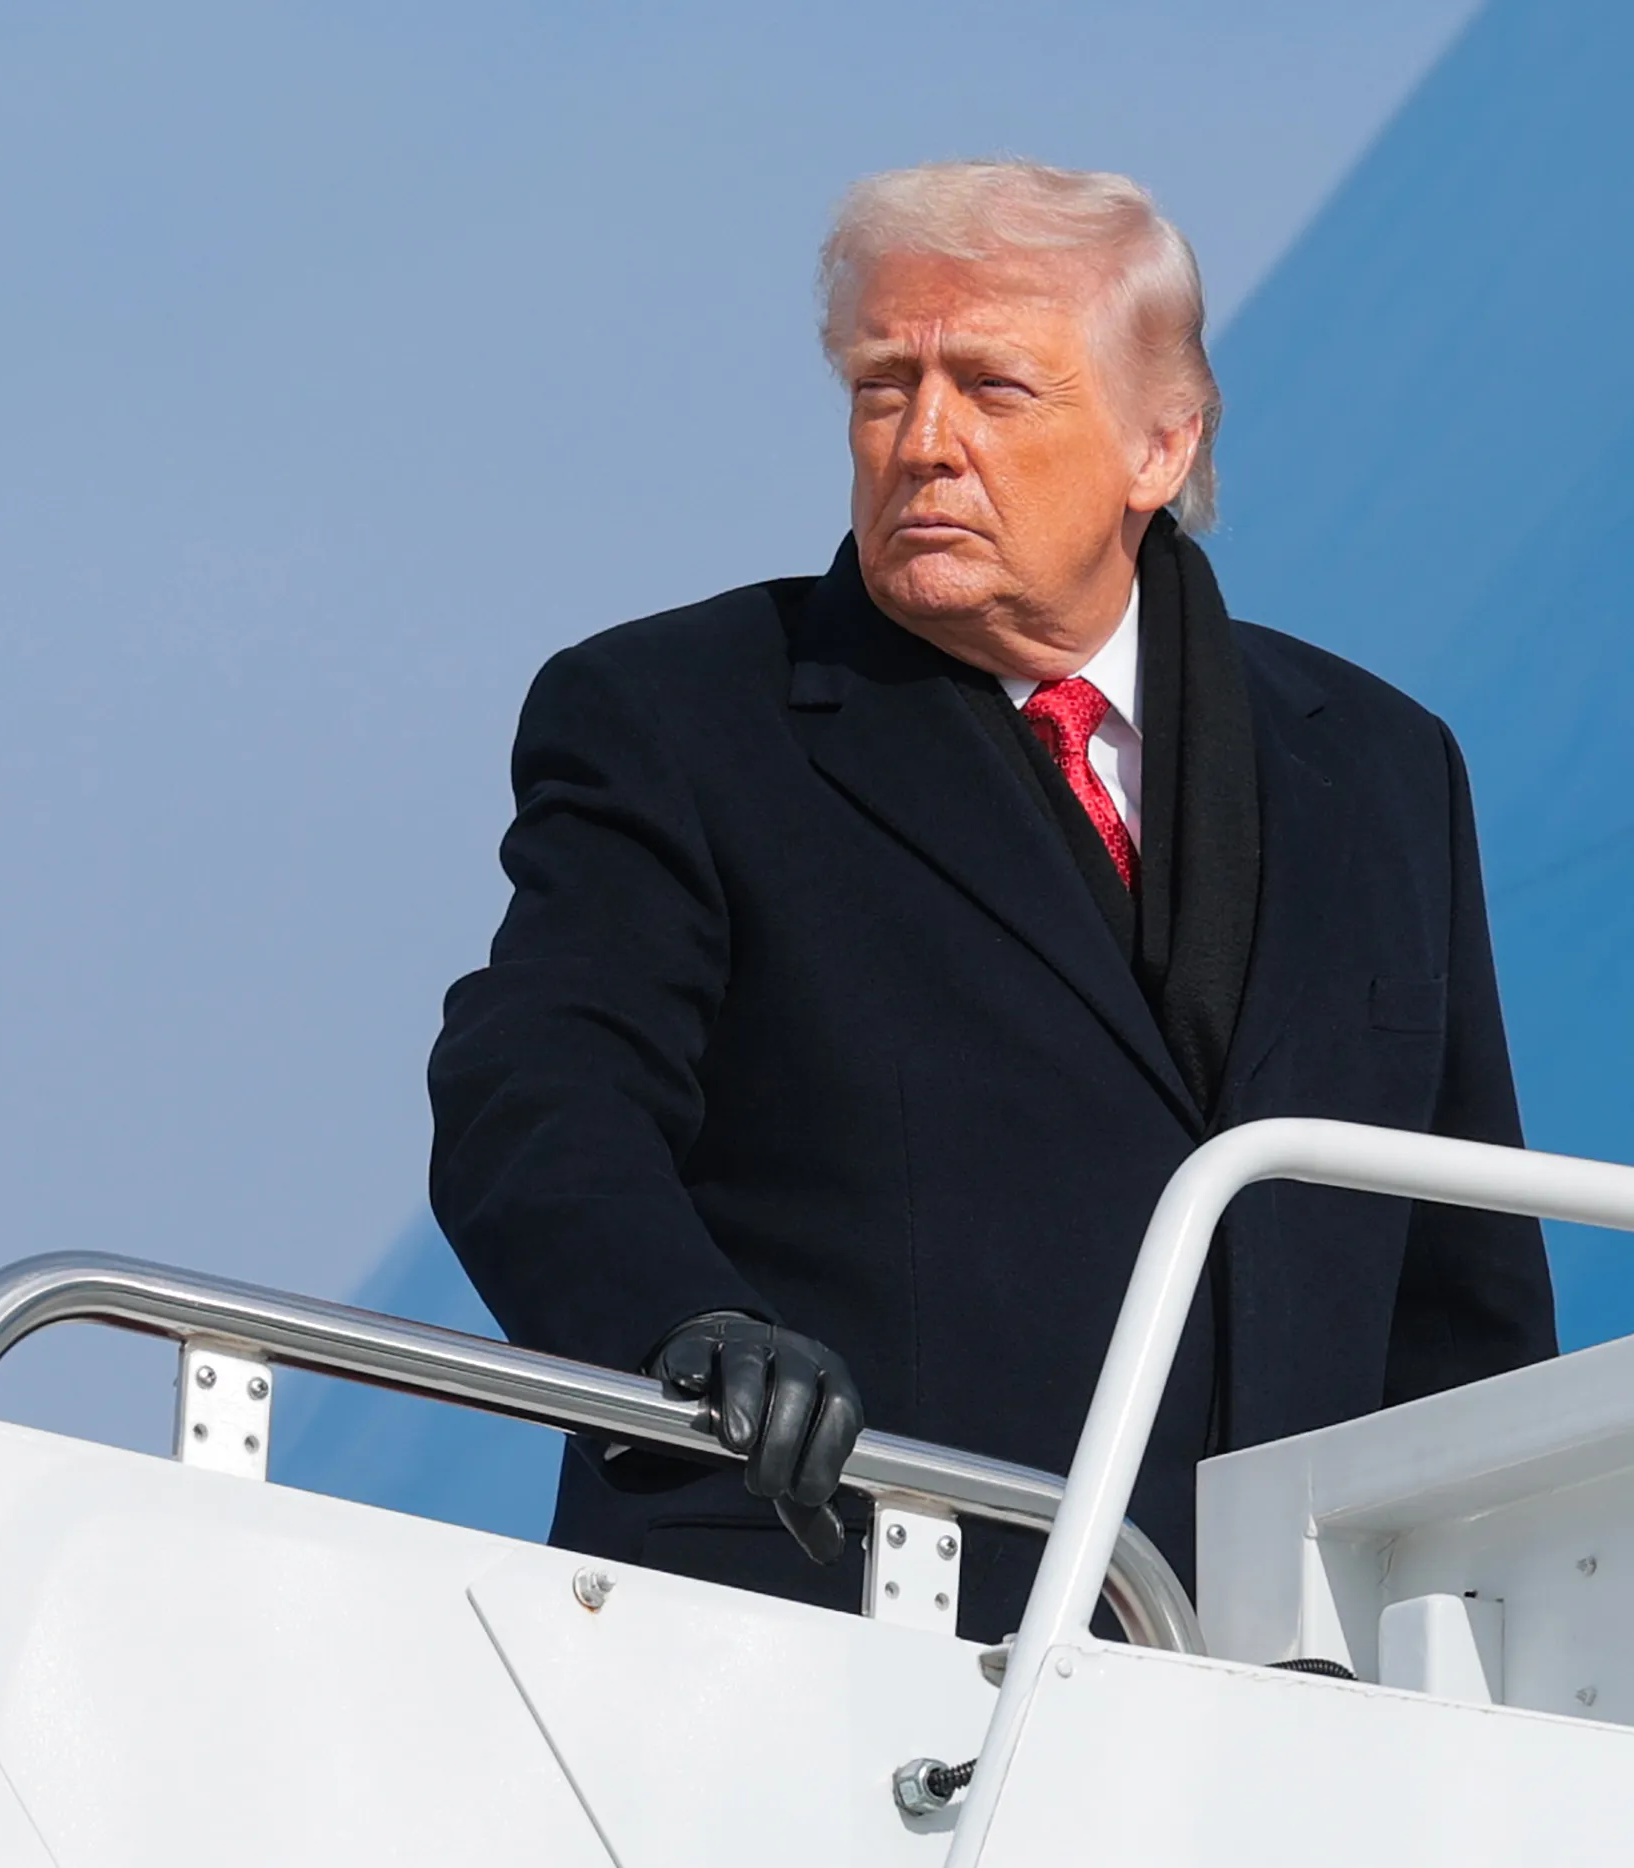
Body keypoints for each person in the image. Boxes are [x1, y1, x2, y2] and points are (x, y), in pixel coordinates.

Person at [427, 160, 1556, 1639]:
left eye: (996, 390)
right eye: (884, 386)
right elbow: (537, 1091)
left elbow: (1463, 1287)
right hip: (828, 1652)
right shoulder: (675, 717)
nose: (925, 442)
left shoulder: (1385, 772)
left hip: (1279, 1703)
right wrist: (675, 1331)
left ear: (1165, 444)